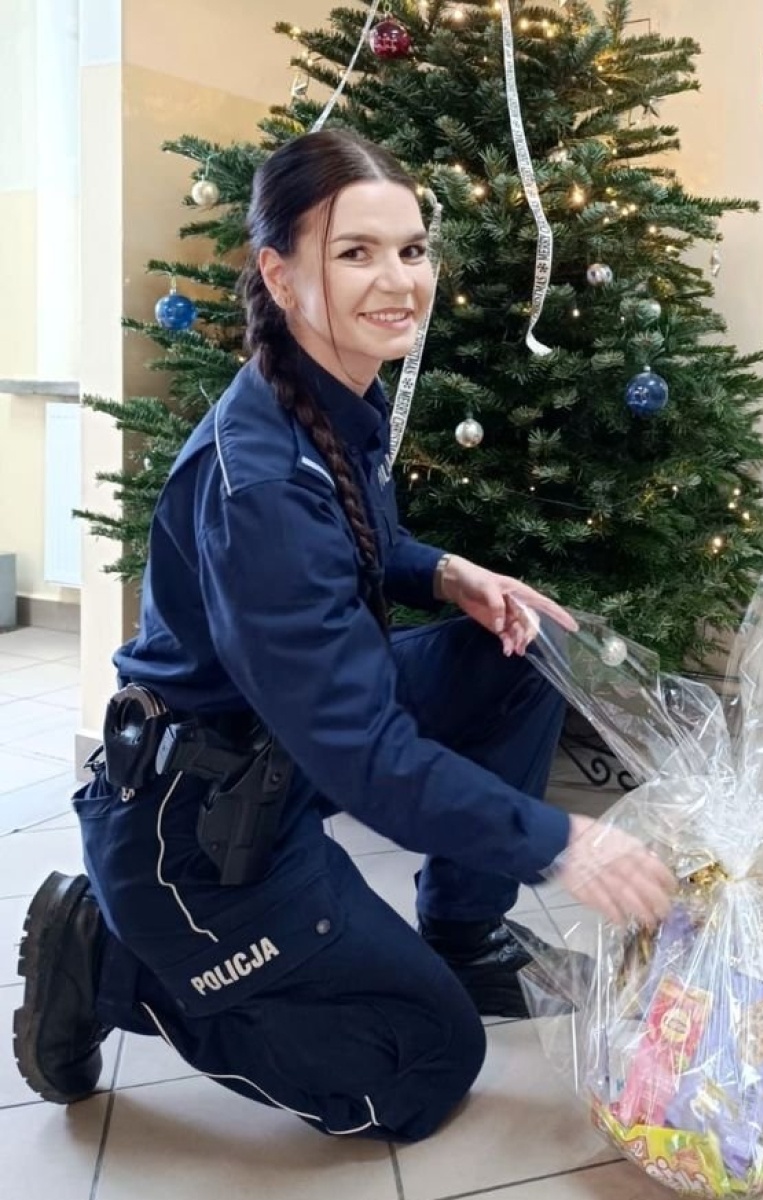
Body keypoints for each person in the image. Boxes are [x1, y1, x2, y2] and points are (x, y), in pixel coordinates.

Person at [13, 128, 675, 1143]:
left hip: (281, 748)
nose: (399, 281)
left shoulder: (329, 400)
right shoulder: (260, 482)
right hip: (197, 821)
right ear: (280, 276)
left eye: (411, 250)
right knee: (423, 1066)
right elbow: (363, 755)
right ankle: (115, 965)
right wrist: (562, 842)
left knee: (520, 649)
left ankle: (463, 935)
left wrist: (447, 572)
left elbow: (361, 547)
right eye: (356, 252)